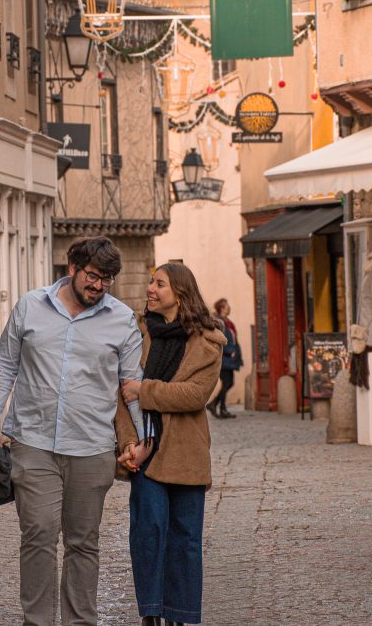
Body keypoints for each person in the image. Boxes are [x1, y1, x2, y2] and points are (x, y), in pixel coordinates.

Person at [0, 236, 144, 626]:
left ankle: (80, 622)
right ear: (71, 268)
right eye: (93, 276)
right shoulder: (30, 306)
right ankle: (37, 621)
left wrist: (142, 440)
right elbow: (4, 367)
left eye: (107, 279)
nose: (99, 286)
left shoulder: (121, 319)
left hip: (92, 447)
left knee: (83, 542)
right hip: (33, 443)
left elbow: (132, 387)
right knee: (38, 534)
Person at [115, 263, 225, 626]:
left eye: (159, 284)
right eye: (150, 282)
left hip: (187, 453)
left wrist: (145, 391)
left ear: (179, 293)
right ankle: (151, 611)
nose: (150, 289)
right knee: (147, 534)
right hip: (146, 454)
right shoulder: (136, 333)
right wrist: (130, 443)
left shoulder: (208, 341)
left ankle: (181, 614)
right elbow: (120, 395)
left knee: (186, 540)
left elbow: (195, 395)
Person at [207, 298, 242, 419]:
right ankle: (216, 406)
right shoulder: (219, 322)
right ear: (222, 308)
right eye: (227, 306)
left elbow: (234, 340)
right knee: (227, 382)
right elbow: (218, 340)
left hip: (231, 359)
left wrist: (238, 356)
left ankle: (219, 407)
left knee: (229, 383)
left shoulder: (228, 322)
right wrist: (228, 351)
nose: (229, 308)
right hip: (224, 358)